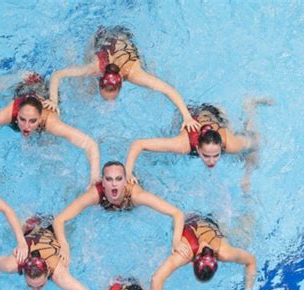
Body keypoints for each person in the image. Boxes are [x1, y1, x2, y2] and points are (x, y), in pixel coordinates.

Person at [0, 23, 100, 184]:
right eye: (22, 120)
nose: (26, 126)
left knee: (49, 147)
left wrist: (94, 179)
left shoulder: (51, 122)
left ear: (40, 118)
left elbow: (90, 144)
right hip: (22, 80)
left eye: (33, 121)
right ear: (16, 115)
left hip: (40, 85)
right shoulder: (9, 111)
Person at [47, 25, 200, 131]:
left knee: (150, 77)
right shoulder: (95, 67)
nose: (108, 101)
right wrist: (53, 101)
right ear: (100, 82)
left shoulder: (134, 73)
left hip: (125, 36)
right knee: (83, 88)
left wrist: (187, 117)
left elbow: (168, 90)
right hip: (100, 37)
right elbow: (58, 75)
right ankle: (70, 53)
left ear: (121, 86)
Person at [53, 161, 187, 267]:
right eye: (109, 179)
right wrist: (64, 245)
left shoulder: (136, 195)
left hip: (130, 206)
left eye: (118, 179)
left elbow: (177, 213)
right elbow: (59, 219)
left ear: (125, 181)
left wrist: (176, 240)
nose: (114, 184)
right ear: (102, 182)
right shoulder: (95, 194)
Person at [125, 97, 274, 192]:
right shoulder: (183, 144)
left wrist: (246, 178)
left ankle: (249, 105)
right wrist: (128, 172)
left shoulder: (229, 143)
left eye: (216, 155)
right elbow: (138, 144)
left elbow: (256, 145)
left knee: (250, 145)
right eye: (206, 156)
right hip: (192, 113)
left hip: (215, 115)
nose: (211, 161)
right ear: (197, 148)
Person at [0, 215, 101, 290]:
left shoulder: (59, 275)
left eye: (40, 285)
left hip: (53, 230)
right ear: (22, 270)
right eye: (30, 285)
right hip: (31, 225)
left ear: (48, 271)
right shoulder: (12, 264)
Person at [150, 214, 256, 290]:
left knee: (245, 236)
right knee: (245, 237)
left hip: (204, 220)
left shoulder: (222, 252)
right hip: (193, 218)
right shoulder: (191, 252)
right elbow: (251, 261)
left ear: (192, 262)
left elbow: (157, 278)